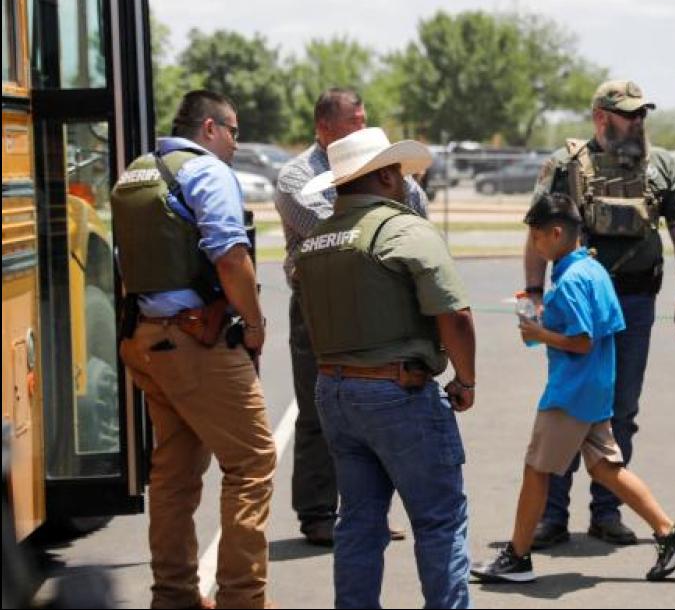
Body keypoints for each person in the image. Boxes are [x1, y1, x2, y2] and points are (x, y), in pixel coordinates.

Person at [472, 194, 675, 584]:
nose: (534, 245)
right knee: (606, 468)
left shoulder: (571, 279)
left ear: (555, 233)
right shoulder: (593, 269)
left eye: (536, 236)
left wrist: (539, 333)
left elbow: (581, 340)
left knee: (536, 470)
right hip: (596, 387)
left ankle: (517, 558)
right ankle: (670, 532)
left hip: (570, 392)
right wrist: (546, 325)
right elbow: (601, 327)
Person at [296, 127, 477, 608]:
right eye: (397, 170)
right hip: (397, 391)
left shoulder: (315, 240)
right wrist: (466, 379)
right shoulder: (404, 229)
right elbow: (456, 316)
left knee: (358, 520)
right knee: (439, 520)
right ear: (385, 176)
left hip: (335, 391)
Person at [111, 90, 275, 609]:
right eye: (233, 132)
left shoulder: (136, 174)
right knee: (252, 461)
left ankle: (175, 595)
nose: (235, 143)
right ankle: (243, 600)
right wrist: (254, 324)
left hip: (145, 338)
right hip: (195, 341)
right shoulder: (206, 171)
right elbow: (229, 255)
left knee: (174, 473)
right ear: (210, 128)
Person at [524, 79, 675, 548]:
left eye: (643, 113)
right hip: (575, 306)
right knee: (566, 405)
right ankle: (551, 518)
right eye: (629, 114)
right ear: (601, 117)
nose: (639, 121)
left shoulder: (662, 165)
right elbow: (536, 232)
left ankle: (607, 512)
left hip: (636, 304)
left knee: (621, 409)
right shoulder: (564, 165)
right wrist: (534, 293)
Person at [274, 87, 425, 546]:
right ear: (324, 128)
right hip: (320, 308)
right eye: (354, 121)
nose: (364, 127)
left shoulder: (377, 167)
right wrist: (388, 217)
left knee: (376, 407)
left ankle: (368, 511)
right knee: (318, 409)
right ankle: (318, 513)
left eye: (364, 118)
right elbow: (339, 233)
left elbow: (417, 212)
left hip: (378, 304)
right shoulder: (297, 177)